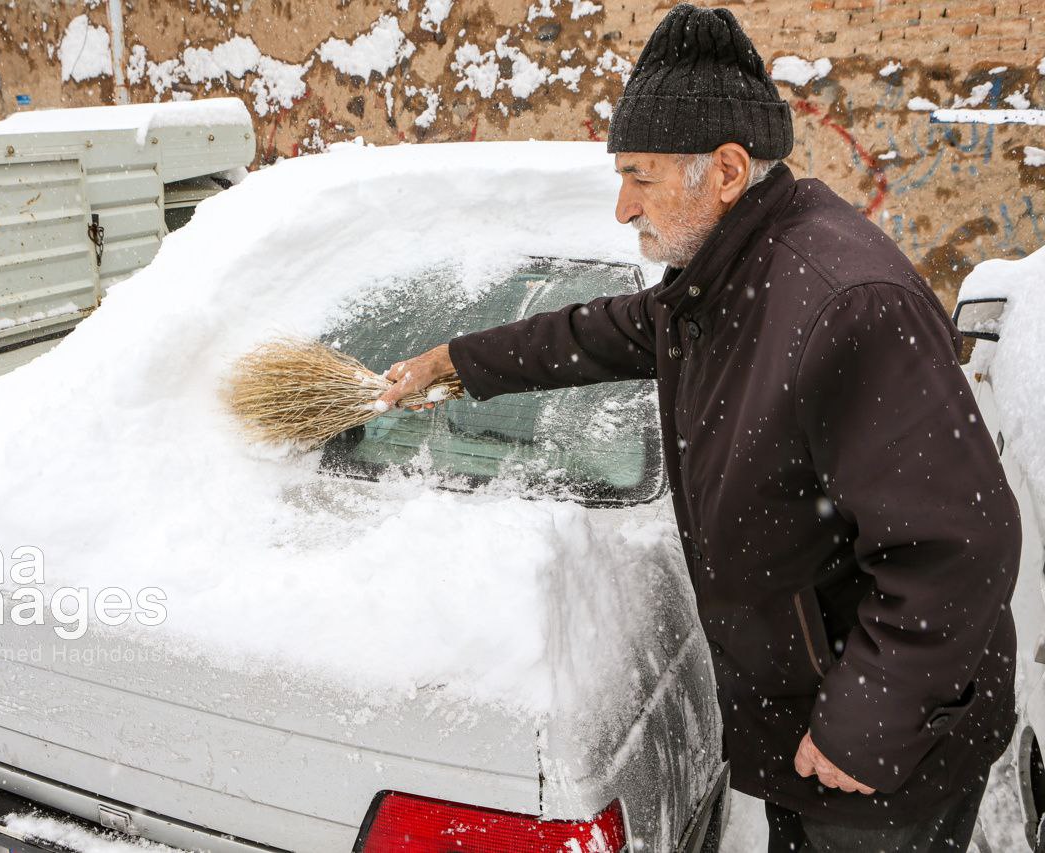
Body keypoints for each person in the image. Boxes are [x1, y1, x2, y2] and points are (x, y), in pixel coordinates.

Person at [377, 5, 1022, 851]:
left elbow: (960, 545)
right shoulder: (727, 277)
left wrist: (863, 723)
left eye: (639, 176)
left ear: (722, 171)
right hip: (816, 720)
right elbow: (605, 331)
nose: (621, 206)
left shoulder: (841, 305)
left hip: (886, 761)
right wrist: (458, 362)